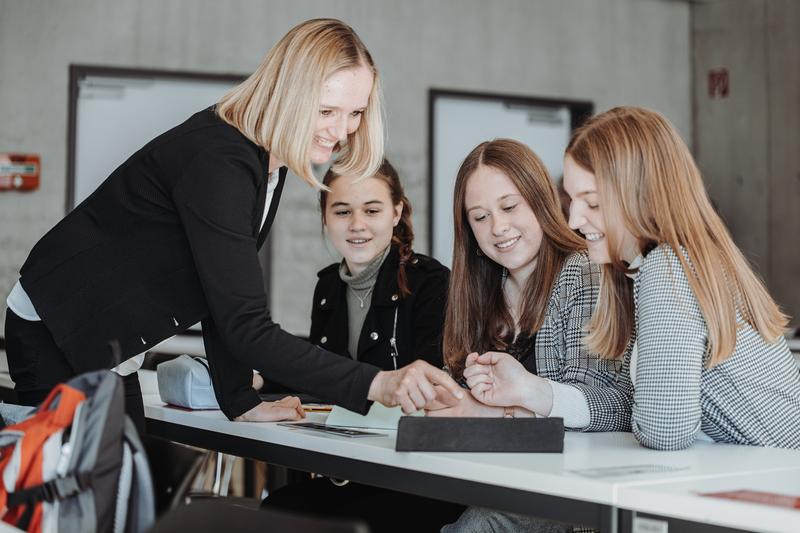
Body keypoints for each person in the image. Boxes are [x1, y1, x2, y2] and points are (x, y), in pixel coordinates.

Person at [3, 18, 462, 433]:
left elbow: (220, 295)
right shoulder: (221, 162)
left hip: (103, 336)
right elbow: (246, 324)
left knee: (121, 490)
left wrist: (239, 399)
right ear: (289, 91)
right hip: (58, 324)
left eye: (355, 112)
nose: (342, 131)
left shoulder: (271, 162)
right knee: (87, 502)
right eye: (326, 111)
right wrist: (377, 382)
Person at [557, 106, 800, 450]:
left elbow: (663, 431)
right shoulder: (662, 265)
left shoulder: (666, 269)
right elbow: (638, 410)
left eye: (592, 203)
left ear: (641, 196)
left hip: (773, 488)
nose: (573, 221)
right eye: (571, 200)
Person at [429, 139, 629, 533]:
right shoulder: (481, 291)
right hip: (497, 478)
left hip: (569, 492)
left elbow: (597, 413)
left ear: (540, 200)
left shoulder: (583, 272)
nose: (498, 228)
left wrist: (487, 413)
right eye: (480, 217)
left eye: (509, 207)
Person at [263, 159, 464, 532]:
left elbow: (431, 390)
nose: (357, 224)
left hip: (415, 479)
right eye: (342, 211)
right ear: (325, 216)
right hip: (354, 468)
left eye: (372, 210)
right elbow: (322, 373)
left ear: (396, 212)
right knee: (276, 508)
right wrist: (263, 379)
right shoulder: (327, 287)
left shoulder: (432, 283)